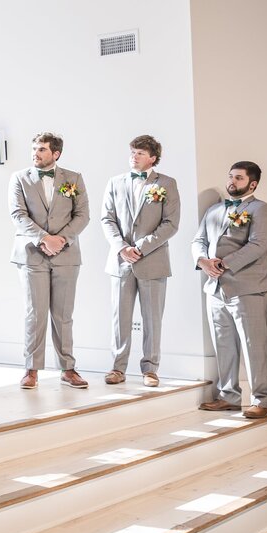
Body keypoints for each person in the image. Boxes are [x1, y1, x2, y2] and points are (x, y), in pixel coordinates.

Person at [191, 160, 267, 419]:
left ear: (252, 183)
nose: (232, 181)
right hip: (215, 288)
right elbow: (199, 240)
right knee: (223, 343)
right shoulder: (215, 210)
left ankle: (262, 400)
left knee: (255, 345)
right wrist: (202, 261)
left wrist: (223, 264)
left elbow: (258, 245)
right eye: (230, 176)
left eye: (239, 178)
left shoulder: (263, 209)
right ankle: (228, 396)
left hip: (250, 286)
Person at [9, 132, 90, 390]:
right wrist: (44, 238)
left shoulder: (73, 179)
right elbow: (17, 214)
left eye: (42, 149)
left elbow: (83, 215)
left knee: (63, 315)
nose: (36, 153)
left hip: (66, 255)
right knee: (35, 313)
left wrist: (61, 240)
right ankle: (31, 369)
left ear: (56, 154)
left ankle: (68, 368)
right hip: (32, 253)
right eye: (34, 148)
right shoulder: (19, 178)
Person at [99, 135, 181, 388]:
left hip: (153, 260)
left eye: (140, 153)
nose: (134, 156)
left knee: (152, 318)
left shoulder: (166, 183)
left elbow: (171, 223)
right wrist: (122, 247)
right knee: (119, 317)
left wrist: (141, 248)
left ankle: (150, 369)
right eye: (133, 152)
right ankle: (117, 367)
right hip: (120, 261)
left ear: (153, 158)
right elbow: (107, 219)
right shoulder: (115, 182)